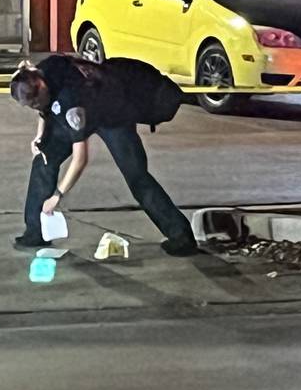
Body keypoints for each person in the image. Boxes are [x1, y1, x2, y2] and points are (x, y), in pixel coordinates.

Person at [10, 54, 198, 256]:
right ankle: (35, 232)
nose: (35, 106)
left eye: (36, 101)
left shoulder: (70, 102)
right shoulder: (44, 70)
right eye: (30, 105)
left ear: (40, 85)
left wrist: (57, 195)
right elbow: (44, 110)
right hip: (88, 105)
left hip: (113, 116)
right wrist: (40, 137)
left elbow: (80, 159)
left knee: (137, 177)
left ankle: (181, 237)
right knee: (44, 159)